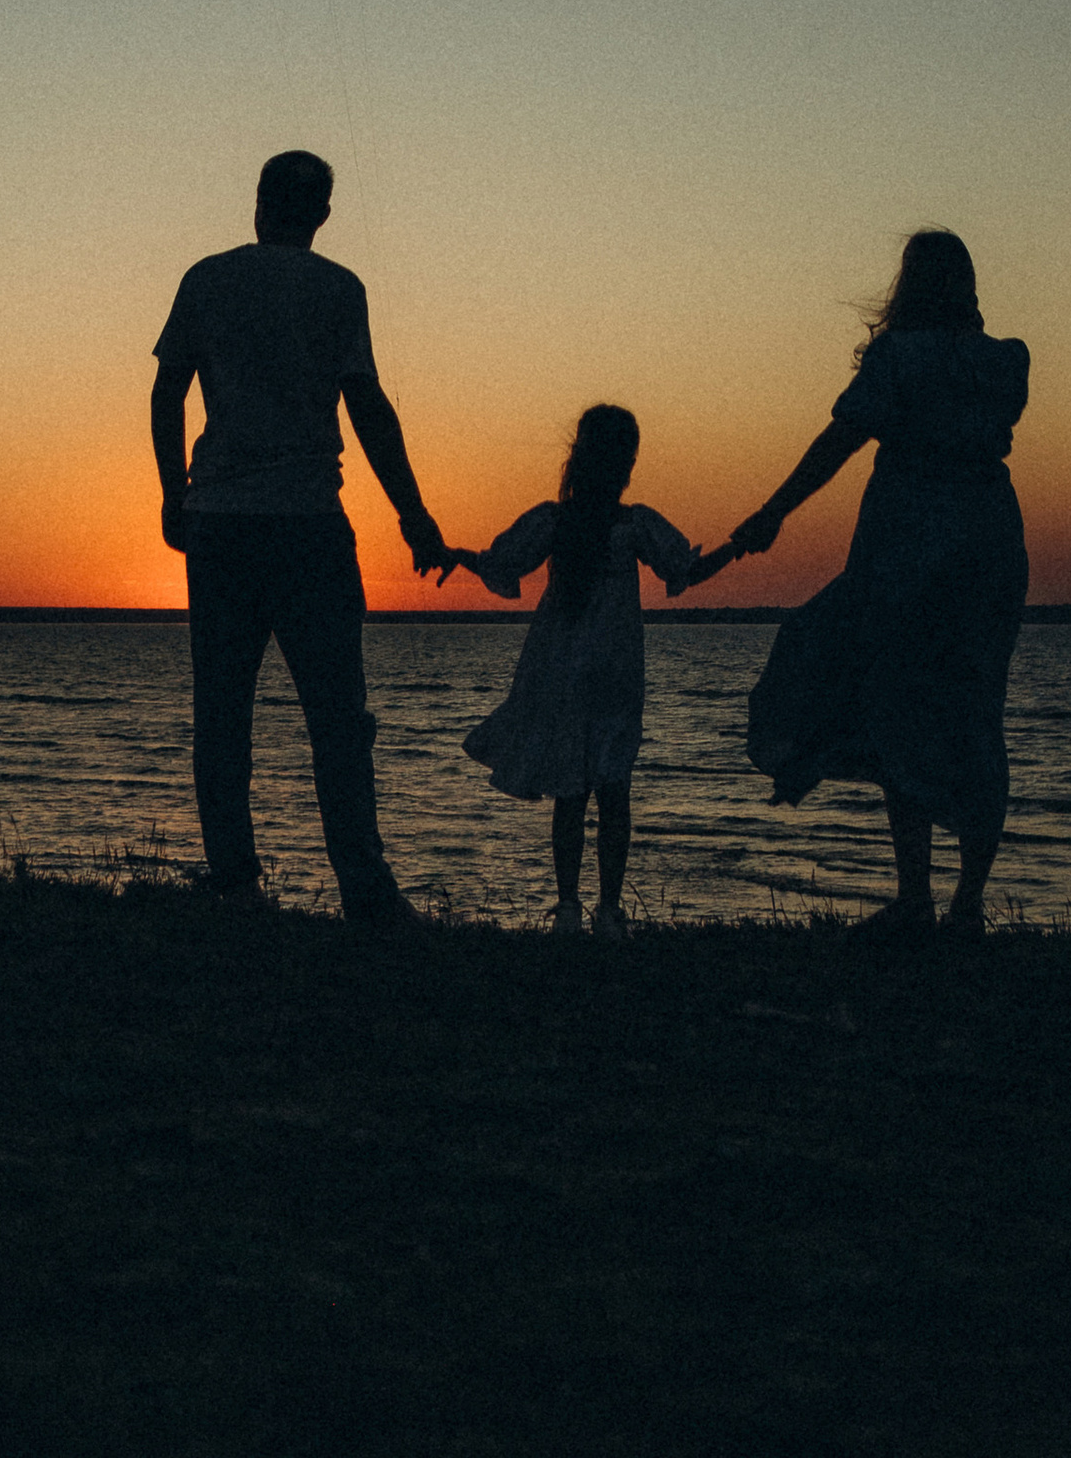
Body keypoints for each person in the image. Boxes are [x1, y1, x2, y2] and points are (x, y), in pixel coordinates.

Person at [151, 147, 446, 925]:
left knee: (222, 712)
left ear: (258, 202)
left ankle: (237, 880)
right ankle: (364, 885)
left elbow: (166, 390)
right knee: (337, 716)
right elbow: (369, 407)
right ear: (320, 213)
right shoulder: (340, 289)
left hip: (221, 524)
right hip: (311, 523)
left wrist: (172, 491)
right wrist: (413, 514)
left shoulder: (206, 278)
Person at [720, 229, 1029, 941]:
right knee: (976, 714)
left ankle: (919, 897)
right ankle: (966, 904)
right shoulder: (1006, 363)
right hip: (988, 550)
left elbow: (839, 441)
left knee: (898, 707)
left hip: (909, 551)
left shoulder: (900, 359)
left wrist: (772, 513)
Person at [436, 404, 729, 937]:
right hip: (609, 674)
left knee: (575, 792)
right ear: (624, 463)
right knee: (612, 791)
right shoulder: (625, 523)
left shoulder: (571, 521)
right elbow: (683, 568)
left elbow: (503, 562)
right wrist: (737, 547)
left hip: (573, 672)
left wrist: (458, 555)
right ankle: (603, 911)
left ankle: (576, 908)